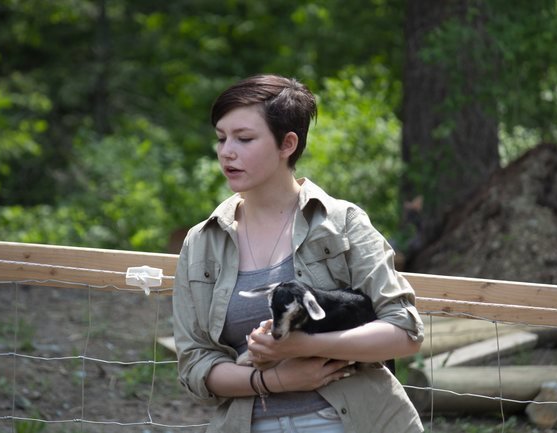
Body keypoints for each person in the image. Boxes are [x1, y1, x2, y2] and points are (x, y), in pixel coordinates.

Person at [172, 74, 425, 433]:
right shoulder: (201, 242)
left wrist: (301, 345)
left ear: (287, 144)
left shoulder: (343, 223)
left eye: (244, 138)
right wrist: (277, 380)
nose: (227, 151)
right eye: (221, 137)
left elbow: (405, 330)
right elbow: (195, 364)